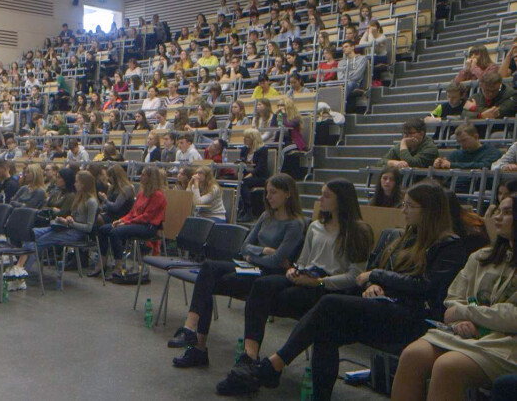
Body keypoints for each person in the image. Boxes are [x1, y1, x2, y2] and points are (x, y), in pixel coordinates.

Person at [217, 182, 468, 399]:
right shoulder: (402, 237)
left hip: (413, 316)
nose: (403, 210)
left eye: (409, 206)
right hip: (383, 304)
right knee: (327, 331)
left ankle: (274, 365)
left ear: (429, 211)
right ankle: (311, 392)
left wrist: (377, 277)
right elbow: (370, 272)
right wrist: (373, 284)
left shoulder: (450, 245)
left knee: (331, 305)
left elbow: (425, 287)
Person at [179, 180, 373, 369]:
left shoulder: (357, 231)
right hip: (303, 275)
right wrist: (293, 269)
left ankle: (246, 357)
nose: (320, 198)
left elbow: (354, 275)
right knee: (211, 272)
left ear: (342, 200)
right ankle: (207, 343)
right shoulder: (315, 226)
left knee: (251, 284)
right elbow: (301, 260)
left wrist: (318, 281)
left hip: (323, 283)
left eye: (326, 195)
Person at [170, 174, 306, 366]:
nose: (268, 197)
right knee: (208, 268)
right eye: (267, 192)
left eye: (273, 193)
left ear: (288, 194)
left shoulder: (295, 224)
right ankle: (190, 329)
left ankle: (198, 348)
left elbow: (276, 262)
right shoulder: (266, 216)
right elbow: (244, 247)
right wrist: (264, 250)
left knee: (207, 283)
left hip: (266, 275)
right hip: (250, 266)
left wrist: (255, 255)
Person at [392, 194, 517, 400]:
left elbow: (512, 317)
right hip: (465, 333)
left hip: (505, 343)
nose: (497, 217)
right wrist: (461, 319)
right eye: (498, 211)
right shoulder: (481, 257)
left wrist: (466, 313)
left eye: (507, 212)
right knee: (412, 355)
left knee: (448, 367)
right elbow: (453, 299)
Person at [8, 171, 100, 290]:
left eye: (77, 181)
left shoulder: (91, 202)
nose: (75, 183)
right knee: (31, 234)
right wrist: (69, 219)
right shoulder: (79, 198)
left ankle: (20, 273)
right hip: (65, 227)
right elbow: (75, 217)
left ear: (84, 184)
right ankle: (19, 269)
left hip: (76, 233)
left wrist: (71, 222)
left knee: (37, 243)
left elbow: (88, 228)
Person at [96, 167, 168, 279]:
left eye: (144, 175)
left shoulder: (158, 195)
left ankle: (118, 267)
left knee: (115, 232)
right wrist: (121, 220)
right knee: (103, 229)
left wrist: (126, 223)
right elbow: (132, 212)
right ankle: (102, 262)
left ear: (151, 178)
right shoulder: (142, 193)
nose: (141, 177)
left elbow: (147, 217)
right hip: (136, 222)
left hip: (148, 226)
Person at [433, 124, 503, 170]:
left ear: (476, 137)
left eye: (464, 140)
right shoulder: (455, 154)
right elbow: (447, 164)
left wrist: (452, 165)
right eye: (459, 142)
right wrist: (439, 164)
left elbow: (484, 166)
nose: (461, 144)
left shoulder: (492, 152)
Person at [238, 128, 270, 221]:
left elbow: (261, 167)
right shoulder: (244, 150)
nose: (244, 139)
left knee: (244, 183)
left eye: (247, 137)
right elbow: (242, 164)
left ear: (254, 138)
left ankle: (248, 210)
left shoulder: (263, 150)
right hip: (247, 176)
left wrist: (251, 174)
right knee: (240, 181)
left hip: (260, 177)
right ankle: (241, 209)